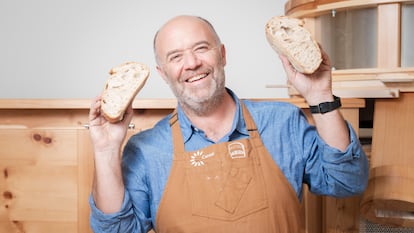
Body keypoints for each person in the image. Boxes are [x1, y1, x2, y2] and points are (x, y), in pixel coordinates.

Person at [88, 15, 369, 233]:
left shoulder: (282, 122)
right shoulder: (147, 150)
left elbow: (347, 182)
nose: (192, 63)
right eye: (176, 57)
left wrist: (320, 97)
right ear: (163, 74)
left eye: (201, 48)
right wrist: (105, 149)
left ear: (222, 55)